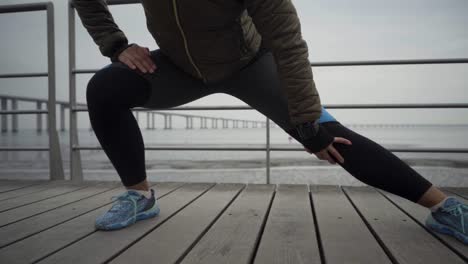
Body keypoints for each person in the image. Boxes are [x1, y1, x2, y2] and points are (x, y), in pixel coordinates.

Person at [73, 0, 467, 244]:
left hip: (250, 63)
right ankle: (140, 198)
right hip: (178, 66)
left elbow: (288, 43)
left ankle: (445, 207)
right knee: (105, 89)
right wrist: (117, 45)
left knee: (328, 135)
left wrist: (307, 123)